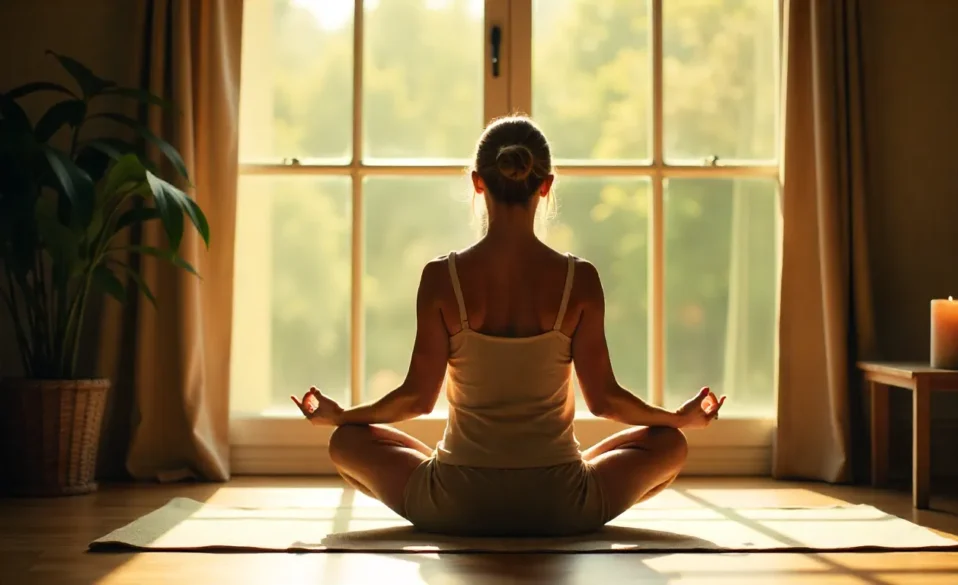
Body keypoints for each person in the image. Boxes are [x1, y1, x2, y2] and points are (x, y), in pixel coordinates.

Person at [291, 115, 726, 537]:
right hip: (561, 503)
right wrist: (676, 418)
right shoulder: (581, 279)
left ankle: (459, 477)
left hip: (454, 502)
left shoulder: (443, 278)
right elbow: (605, 401)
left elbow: (417, 399)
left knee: (345, 442)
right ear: (546, 185)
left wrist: (343, 416)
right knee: (670, 445)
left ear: (478, 182)